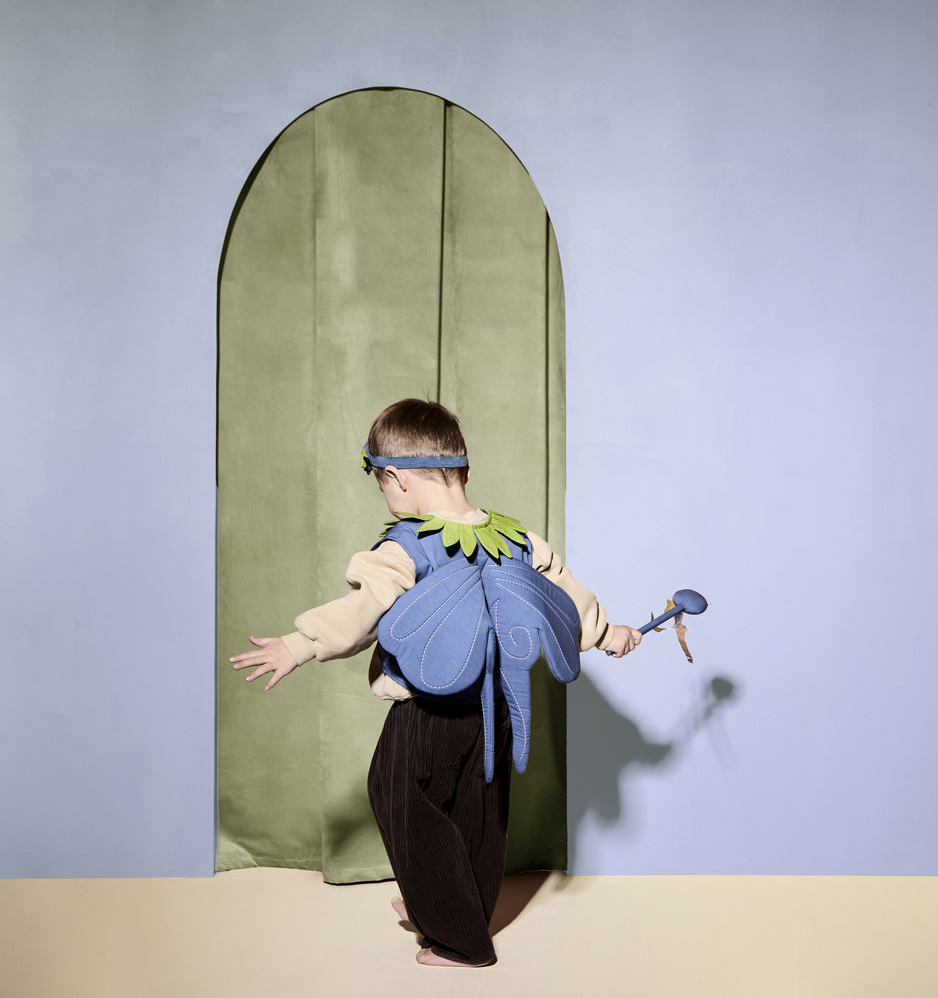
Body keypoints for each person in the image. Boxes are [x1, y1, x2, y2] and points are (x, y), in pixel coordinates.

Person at [231, 398, 641, 967]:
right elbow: (564, 597)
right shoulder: (517, 539)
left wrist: (300, 644)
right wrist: (606, 632)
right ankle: (450, 908)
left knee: (402, 799)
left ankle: (455, 936)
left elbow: (363, 610)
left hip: (427, 710)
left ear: (395, 478)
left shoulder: (407, 545)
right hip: (495, 708)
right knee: (479, 812)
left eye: (381, 483)